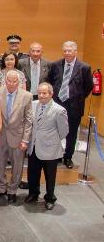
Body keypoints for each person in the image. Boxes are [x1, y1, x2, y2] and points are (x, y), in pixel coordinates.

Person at [49, 41, 93, 169]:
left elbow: (88, 87)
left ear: (75, 51)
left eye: (70, 50)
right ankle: (56, 155)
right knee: (56, 130)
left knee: (72, 133)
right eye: (65, 50)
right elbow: (51, 81)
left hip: (74, 106)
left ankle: (68, 156)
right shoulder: (56, 65)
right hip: (57, 104)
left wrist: (76, 97)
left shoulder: (84, 67)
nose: (67, 53)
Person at [25, 83, 69, 211]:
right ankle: (33, 193)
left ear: (51, 94)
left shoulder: (59, 110)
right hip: (34, 146)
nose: (42, 95)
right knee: (32, 173)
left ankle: (50, 198)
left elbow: (64, 131)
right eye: (39, 93)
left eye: (45, 93)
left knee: (50, 176)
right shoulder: (33, 105)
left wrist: (52, 140)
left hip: (50, 148)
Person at [0, 70, 33, 204]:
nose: (11, 84)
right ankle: (1, 188)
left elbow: (29, 120)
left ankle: (12, 190)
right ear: (5, 81)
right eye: (9, 81)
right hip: (0, 135)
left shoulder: (27, 96)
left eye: (14, 81)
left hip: (18, 136)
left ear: (19, 82)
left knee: (17, 166)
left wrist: (25, 139)